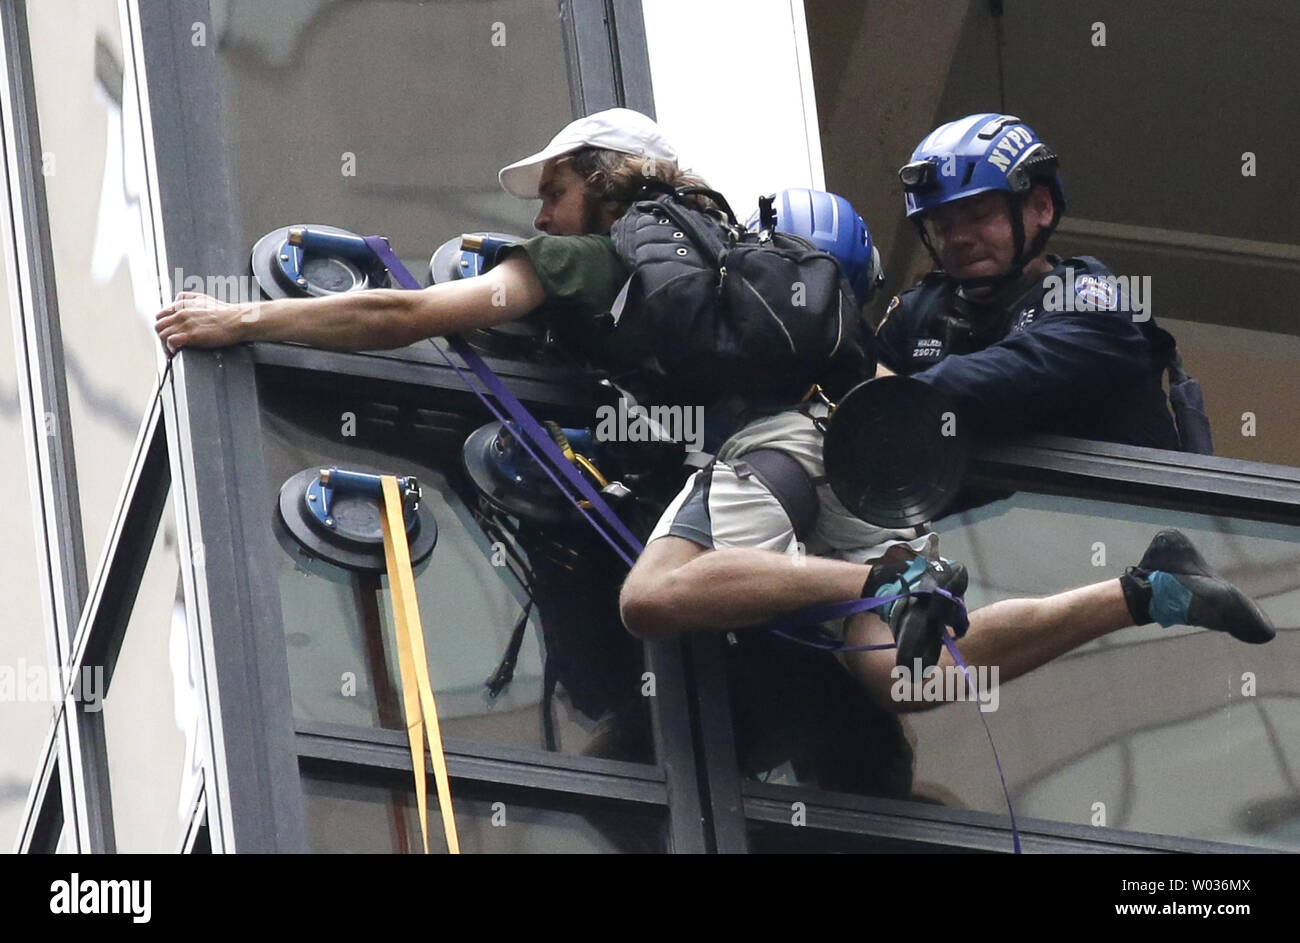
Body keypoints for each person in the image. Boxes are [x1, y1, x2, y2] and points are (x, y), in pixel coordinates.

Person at [155, 109, 1273, 735]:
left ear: (598, 183)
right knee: (910, 679)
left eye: (549, 190)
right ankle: (1142, 590)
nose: (532, 214)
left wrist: (240, 318)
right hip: (853, 473)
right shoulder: (728, 248)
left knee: (655, 596)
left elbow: (406, 310)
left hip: (787, 454)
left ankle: (889, 582)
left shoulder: (580, 256)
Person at [877, 112, 1182, 449]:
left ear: (1042, 207)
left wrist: (892, 395)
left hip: (1097, 501)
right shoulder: (915, 313)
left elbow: (1015, 376)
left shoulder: (1094, 301)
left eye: (979, 215)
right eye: (943, 226)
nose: (959, 238)